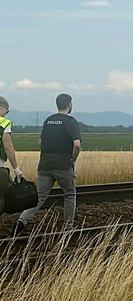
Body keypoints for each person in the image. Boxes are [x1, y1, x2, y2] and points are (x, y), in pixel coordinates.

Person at [15, 93, 81, 234]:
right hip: (63, 165)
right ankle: (67, 228)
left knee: (39, 197)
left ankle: (22, 220)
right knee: (70, 195)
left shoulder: (48, 121)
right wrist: (72, 159)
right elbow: (77, 145)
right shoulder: (71, 122)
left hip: (45, 164)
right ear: (69, 104)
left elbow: (40, 142)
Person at [0, 96, 25, 214]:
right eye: (7, 111)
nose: (6, 114)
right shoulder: (4, 123)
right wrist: (16, 169)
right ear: (2, 108)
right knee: (7, 196)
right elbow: (8, 147)